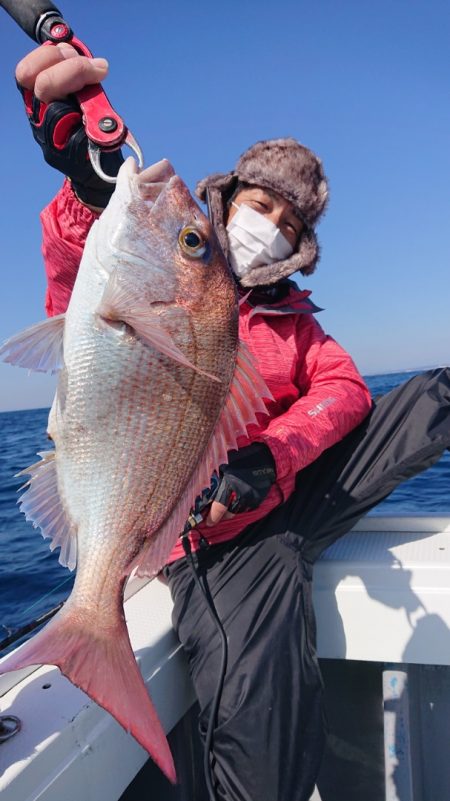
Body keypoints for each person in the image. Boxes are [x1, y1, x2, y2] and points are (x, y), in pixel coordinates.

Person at [14, 44, 450, 801]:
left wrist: (273, 458)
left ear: (301, 243)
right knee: (263, 732)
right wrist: (86, 186)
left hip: (276, 486)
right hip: (212, 532)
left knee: (437, 394)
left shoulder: (297, 322)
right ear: (232, 195)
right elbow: (78, 281)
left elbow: (347, 390)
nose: (271, 225)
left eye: (290, 219)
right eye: (262, 203)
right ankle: (99, 624)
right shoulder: (170, 279)